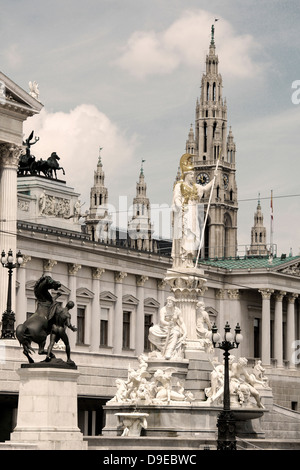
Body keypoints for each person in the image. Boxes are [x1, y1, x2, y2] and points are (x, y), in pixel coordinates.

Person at [172, 153, 218, 268]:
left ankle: (189, 260)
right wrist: (181, 207)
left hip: (192, 216)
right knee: (185, 236)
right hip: (185, 215)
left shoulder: (195, 187)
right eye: (192, 174)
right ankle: (183, 260)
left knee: (192, 236)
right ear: (186, 174)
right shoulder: (179, 186)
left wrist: (214, 178)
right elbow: (176, 199)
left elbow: (206, 188)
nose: (193, 175)